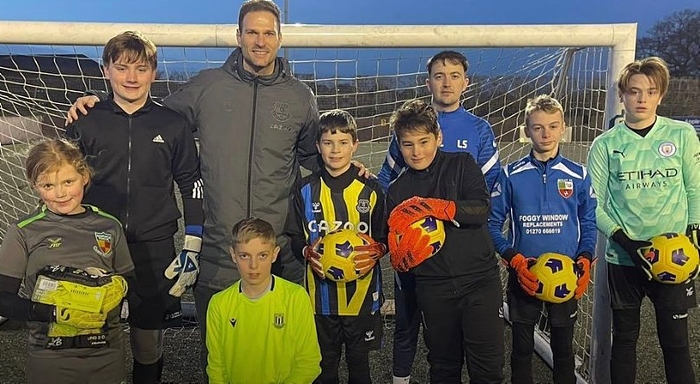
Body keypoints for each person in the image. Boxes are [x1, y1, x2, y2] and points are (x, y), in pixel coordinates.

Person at [64, 1, 338, 376]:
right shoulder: (206, 87)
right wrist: (98, 104)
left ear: (280, 37)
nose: (260, 41)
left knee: (283, 357)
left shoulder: (299, 96)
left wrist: (344, 164)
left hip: (277, 249)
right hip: (217, 251)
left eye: (268, 32)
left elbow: (313, 158)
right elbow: (145, 113)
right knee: (223, 358)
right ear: (238, 36)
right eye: (252, 32)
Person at [64, 30, 204, 383]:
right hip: (95, 243)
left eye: (140, 69)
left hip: (153, 245)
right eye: (122, 67)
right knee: (93, 332)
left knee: (147, 338)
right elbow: (62, 180)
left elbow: (192, 183)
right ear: (106, 70)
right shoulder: (86, 119)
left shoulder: (172, 123)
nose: (131, 77)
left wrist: (193, 242)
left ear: (153, 73)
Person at [376, 50, 500, 384]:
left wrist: (439, 208)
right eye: (407, 144)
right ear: (398, 146)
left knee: (487, 369)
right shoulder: (398, 190)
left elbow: (483, 206)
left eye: (424, 142)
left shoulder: (463, 163)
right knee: (443, 367)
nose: (416, 151)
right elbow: (390, 230)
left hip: (478, 279)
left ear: (438, 138)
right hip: (433, 285)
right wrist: (395, 251)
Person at [587, 56, 699, 384]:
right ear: (622, 95)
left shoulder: (681, 134)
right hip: (624, 258)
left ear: (661, 95)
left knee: (677, 344)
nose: (642, 99)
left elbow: (694, 189)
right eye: (634, 92)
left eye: (650, 92)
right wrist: (625, 241)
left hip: (675, 257)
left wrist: (693, 234)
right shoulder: (606, 145)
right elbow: (595, 205)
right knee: (624, 340)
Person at [0, 139, 134, 384]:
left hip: (106, 353)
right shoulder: (23, 231)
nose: (60, 193)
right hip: (51, 358)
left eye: (68, 182)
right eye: (48, 185)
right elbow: (2, 299)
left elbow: (130, 284)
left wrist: (118, 292)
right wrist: (52, 312)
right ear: (34, 186)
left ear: (84, 176)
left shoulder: (109, 225)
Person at [488, 95, 597, 384]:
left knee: (563, 349)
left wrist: (585, 258)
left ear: (563, 128)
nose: (546, 133)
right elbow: (492, 225)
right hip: (525, 274)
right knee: (521, 349)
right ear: (527, 131)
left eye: (552, 126)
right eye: (538, 127)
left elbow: (589, 222)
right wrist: (513, 258)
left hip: (566, 275)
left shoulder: (579, 174)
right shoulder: (510, 174)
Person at [285, 109, 387, 384]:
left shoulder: (372, 189)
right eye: (328, 143)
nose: (335, 150)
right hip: (319, 301)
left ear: (355, 145)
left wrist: (378, 250)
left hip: (362, 298)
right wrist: (307, 251)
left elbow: (384, 237)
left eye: (343, 142)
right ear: (318, 146)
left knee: (359, 365)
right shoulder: (305, 189)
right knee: (323, 367)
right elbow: (295, 237)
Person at [206, 217, 321, 383]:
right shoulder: (219, 304)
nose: (253, 265)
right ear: (233, 255)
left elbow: (309, 362)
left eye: (262, 255)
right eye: (244, 256)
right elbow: (216, 368)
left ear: (274, 254)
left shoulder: (295, 297)